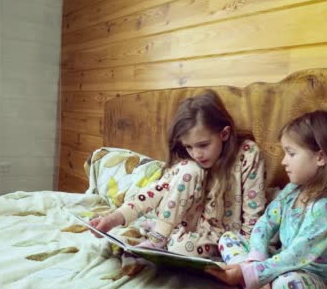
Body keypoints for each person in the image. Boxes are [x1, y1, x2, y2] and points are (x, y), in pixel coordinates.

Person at [206, 109, 327, 289]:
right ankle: (256, 283)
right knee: (228, 238)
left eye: (291, 153)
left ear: (321, 157)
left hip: (314, 277)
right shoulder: (292, 191)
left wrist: (249, 272)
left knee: (289, 287)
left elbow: (297, 255)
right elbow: (266, 223)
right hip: (280, 264)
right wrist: (254, 259)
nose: (283, 161)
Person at [90, 90, 267, 258]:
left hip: (223, 238)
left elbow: (254, 209)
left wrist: (248, 255)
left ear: (224, 133)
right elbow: (154, 192)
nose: (196, 154)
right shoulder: (190, 165)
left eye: (203, 145)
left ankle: (161, 235)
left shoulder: (248, 153)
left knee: (179, 248)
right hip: (184, 228)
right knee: (190, 171)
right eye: (188, 146)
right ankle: (159, 237)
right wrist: (113, 219)